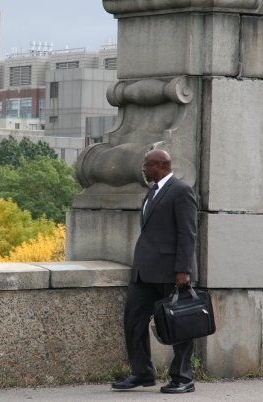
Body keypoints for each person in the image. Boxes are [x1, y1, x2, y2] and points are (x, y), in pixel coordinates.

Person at [112, 148, 198, 394]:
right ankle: (142, 373)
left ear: (160, 165)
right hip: (144, 273)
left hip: (171, 273)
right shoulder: (152, 192)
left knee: (179, 325)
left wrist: (183, 269)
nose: (143, 169)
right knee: (133, 321)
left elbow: (187, 232)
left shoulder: (181, 191)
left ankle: (183, 378)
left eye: (146, 165)